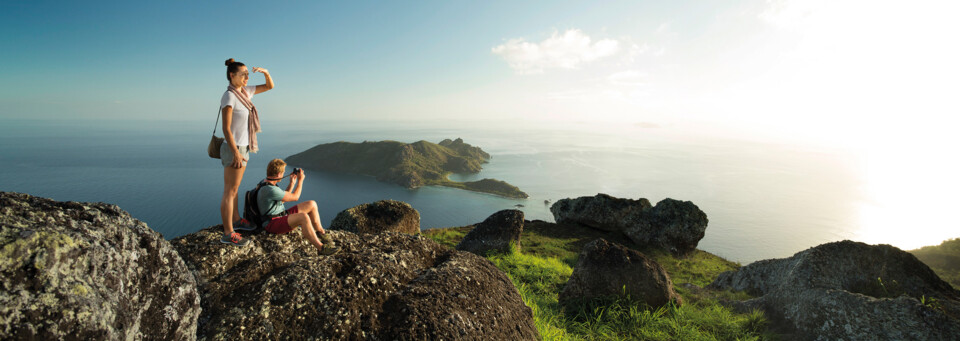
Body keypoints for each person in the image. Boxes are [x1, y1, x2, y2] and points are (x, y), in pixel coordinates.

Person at [219, 58, 274, 246]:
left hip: (245, 147)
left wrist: (265, 72)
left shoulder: (246, 92)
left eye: (247, 75)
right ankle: (228, 233)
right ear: (232, 75)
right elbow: (226, 128)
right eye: (243, 74)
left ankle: (235, 220)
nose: (246, 77)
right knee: (230, 191)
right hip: (234, 148)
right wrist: (235, 152)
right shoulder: (229, 96)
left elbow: (269, 87)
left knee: (235, 190)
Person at [259, 159, 339, 255]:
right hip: (272, 223)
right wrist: (300, 181)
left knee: (311, 204)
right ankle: (321, 248)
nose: (285, 173)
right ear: (279, 174)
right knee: (303, 217)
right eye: (283, 172)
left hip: (278, 215)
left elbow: (282, 199)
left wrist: (292, 183)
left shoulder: (266, 183)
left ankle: (320, 233)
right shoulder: (270, 189)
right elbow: (295, 197)